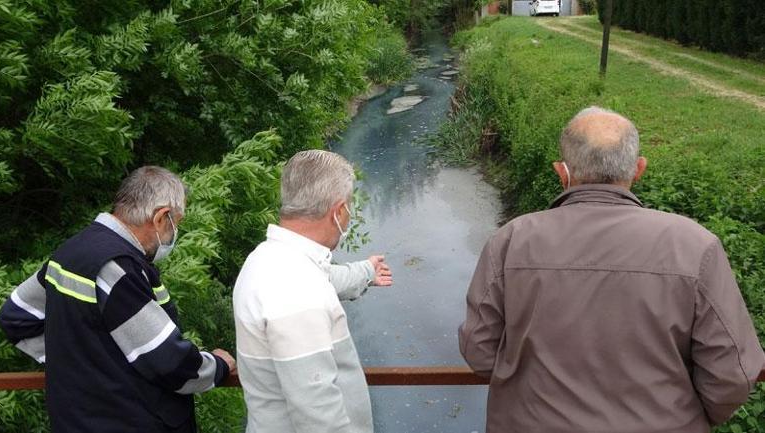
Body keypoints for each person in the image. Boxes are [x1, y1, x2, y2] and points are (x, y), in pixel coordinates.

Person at [459, 107, 765, 433]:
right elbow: (732, 373)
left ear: (562, 172)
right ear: (639, 170)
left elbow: (479, 350)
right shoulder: (697, 246)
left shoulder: (511, 240)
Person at [0, 166, 236, 433]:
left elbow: (15, 317)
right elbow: (171, 363)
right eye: (176, 223)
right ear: (160, 218)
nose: (173, 233)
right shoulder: (118, 268)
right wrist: (217, 367)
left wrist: (77, 364)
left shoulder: (71, 251)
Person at [233, 149, 393, 433]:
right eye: (350, 207)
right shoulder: (296, 292)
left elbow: (325, 276)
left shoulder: (269, 258)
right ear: (339, 211)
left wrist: (366, 271)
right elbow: (317, 415)